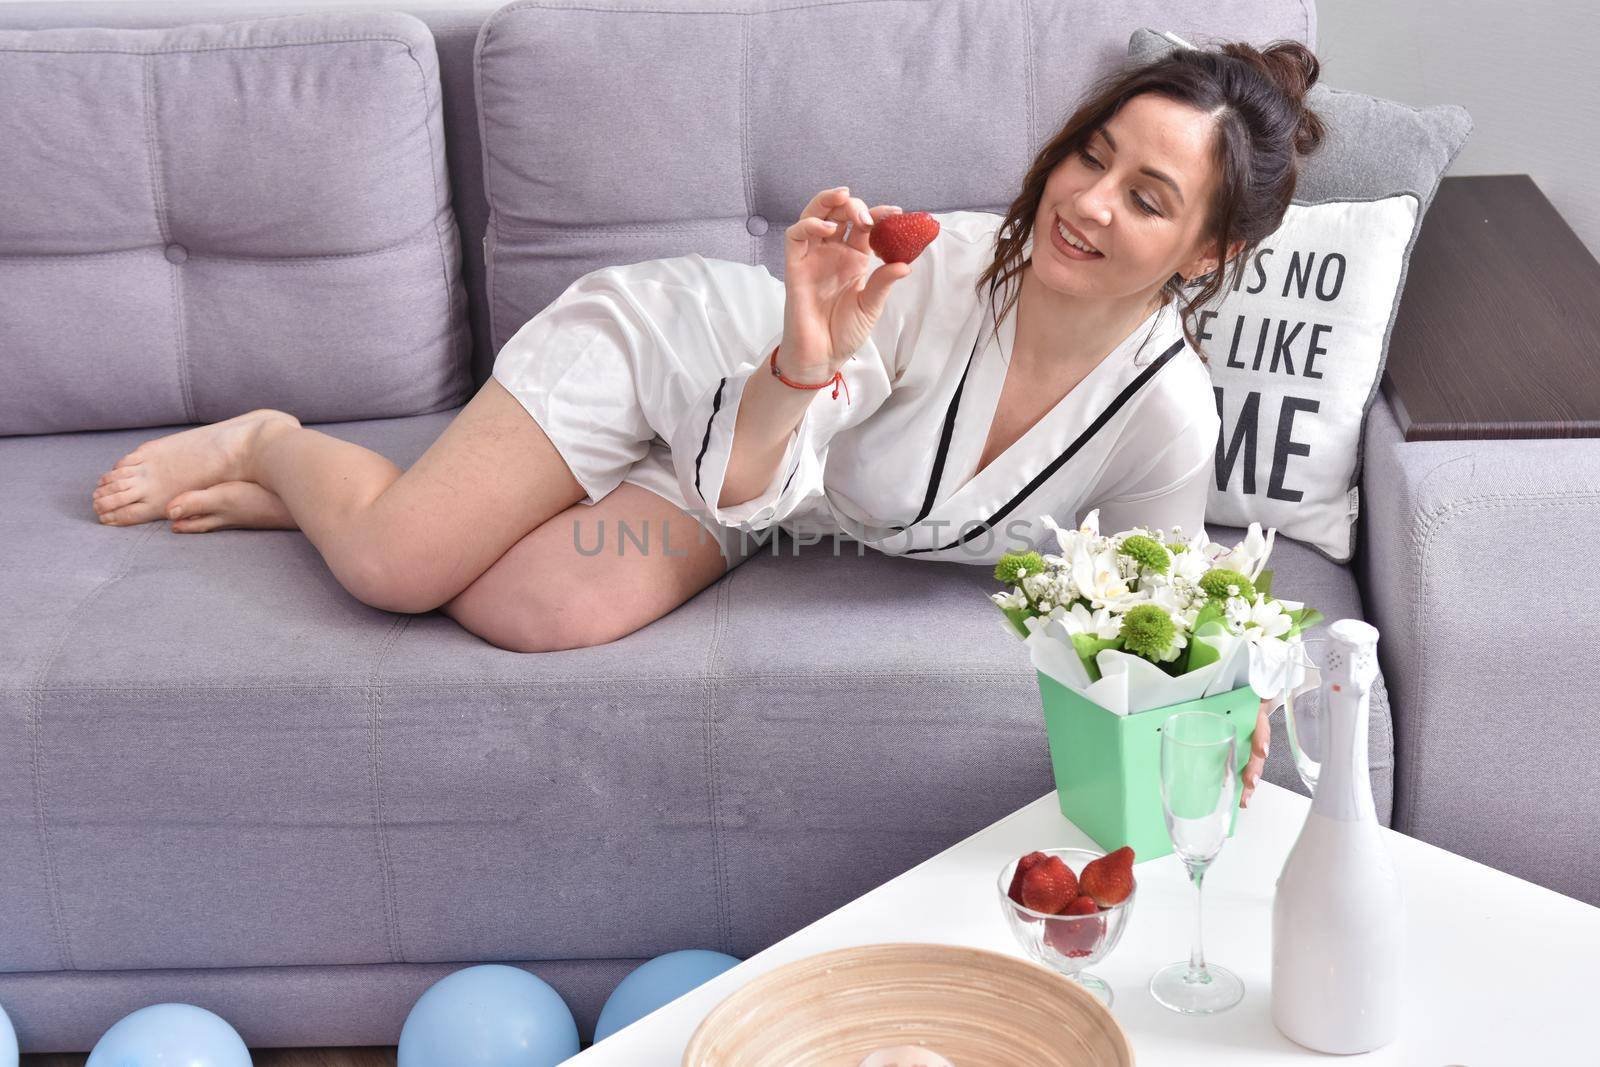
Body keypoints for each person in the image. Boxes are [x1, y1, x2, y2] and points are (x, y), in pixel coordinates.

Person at [87, 39, 1324, 802]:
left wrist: (1227, 691)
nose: (1089, 201)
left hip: (768, 488)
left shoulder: (1162, 412)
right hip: (684, 366)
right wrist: (803, 352)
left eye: (1146, 197)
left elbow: (1170, 605)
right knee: (398, 567)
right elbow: (796, 404)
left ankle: (367, 496)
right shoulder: (936, 268)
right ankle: (273, 444)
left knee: (528, 611)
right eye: (1091, 156)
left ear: (1206, 253)